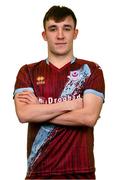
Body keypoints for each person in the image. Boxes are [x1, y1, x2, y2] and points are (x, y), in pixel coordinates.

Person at [14, 5, 105, 180]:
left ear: (75, 33)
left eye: (67, 28)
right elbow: (24, 114)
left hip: (80, 171)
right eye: (53, 29)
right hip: (39, 171)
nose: (60, 35)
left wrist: (39, 109)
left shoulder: (91, 70)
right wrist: (70, 105)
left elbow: (88, 117)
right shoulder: (27, 71)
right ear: (44, 35)